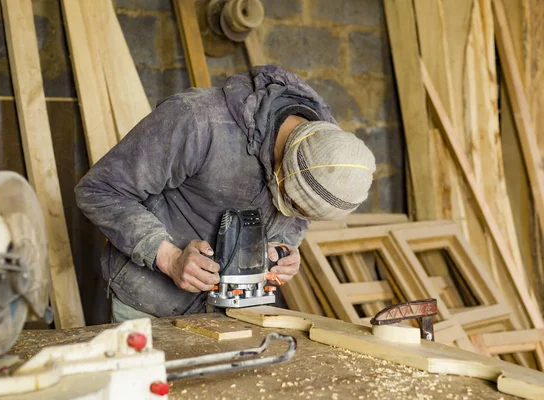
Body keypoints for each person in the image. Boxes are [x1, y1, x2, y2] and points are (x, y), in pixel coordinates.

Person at [75, 65, 376, 322]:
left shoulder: (327, 151)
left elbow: (296, 219)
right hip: (151, 307)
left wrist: (282, 249)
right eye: (293, 204)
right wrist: (168, 257)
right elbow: (100, 190)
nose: (297, 216)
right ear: (284, 168)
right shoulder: (197, 121)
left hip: (237, 314)